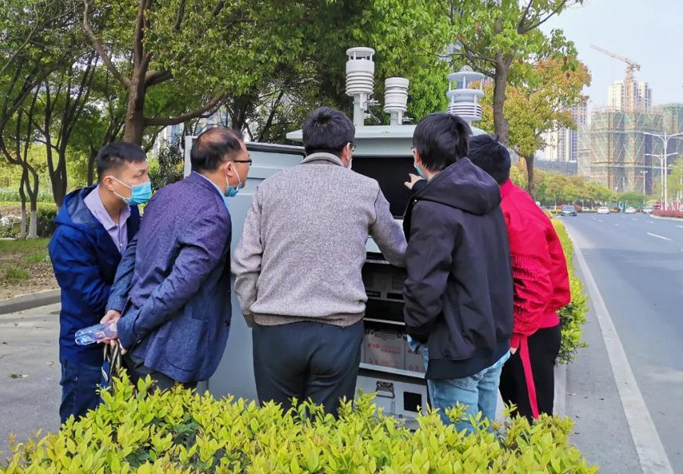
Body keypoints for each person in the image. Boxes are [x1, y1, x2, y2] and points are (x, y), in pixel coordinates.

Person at [232, 107, 407, 416]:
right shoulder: (367, 188)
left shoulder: (269, 187)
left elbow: (246, 262)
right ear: (347, 149)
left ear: (305, 146)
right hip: (338, 332)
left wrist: (253, 315)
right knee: (325, 433)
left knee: (277, 429)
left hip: (275, 332)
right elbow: (398, 252)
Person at [113, 127, 248, 390]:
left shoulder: (166, 193)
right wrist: (128, 330)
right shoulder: (213, 213)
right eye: (247, 161)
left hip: (139, 338)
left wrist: (116, 307)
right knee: (166, 418)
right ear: (230, 168)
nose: (249, 167)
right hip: (166, 351)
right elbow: (179, 286)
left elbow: (132, 253)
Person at [402, 113, 513, 432]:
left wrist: (417, 334)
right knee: (482, 444)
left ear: (417, 156)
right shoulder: (487, 193)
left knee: (458, 448)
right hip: (492, 343)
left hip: (456, 350)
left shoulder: (432, 208)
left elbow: (423, 285)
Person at [468, 134, 571, 420]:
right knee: (521, 415)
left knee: (532, 421)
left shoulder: (513, 212)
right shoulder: (506, 200)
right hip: (522, 330)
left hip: (528, 334)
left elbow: (532, 282)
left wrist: (514, 335)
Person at [49, 141, 150, 423]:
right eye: (139, 175)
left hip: (125, 339)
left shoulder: (131, 213)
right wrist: (144, 302)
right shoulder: (71, 234)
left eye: (146, 173)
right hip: (87, 346)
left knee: (125, 428)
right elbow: (91, 296)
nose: (146, 182)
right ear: (110, 182)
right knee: (82, 427)